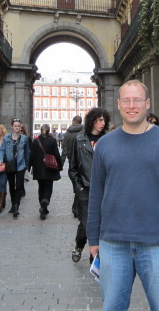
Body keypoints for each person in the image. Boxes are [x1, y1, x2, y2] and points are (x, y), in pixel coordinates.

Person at [87, 80, 159, 311]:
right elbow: (96, 194)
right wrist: (93, 238)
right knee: (112, 307)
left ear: (147, 103)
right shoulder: (104, 145)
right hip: (113, 242)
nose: (131, 105)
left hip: (158, 242)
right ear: (118, 104)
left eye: (137, 100)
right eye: (126, 100)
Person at [69, 107, 110, 263]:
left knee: (101, 223)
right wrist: (78, 187)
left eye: (104, 120)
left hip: (104, 189)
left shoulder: (108, 139)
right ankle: (79, 246)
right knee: (86, 223)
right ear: (92, 121)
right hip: (85, 188)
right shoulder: (79, 140)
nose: (102, 123)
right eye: (99, 120)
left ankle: (94, 256)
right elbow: (72, 167)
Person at [28, 124, 63, 220]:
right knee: (48, 187)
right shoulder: (52, 140)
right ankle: (45, 202)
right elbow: (57, 154)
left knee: (41, 187)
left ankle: (43, 205)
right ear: (49, 131)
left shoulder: (35, 141)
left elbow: (31, 155)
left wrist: (29, 167)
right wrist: (60, 166)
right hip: (50, 167)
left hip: (38, 168)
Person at [0, 119, 31, 218]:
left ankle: (16, 206)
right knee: (11, 186)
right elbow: (2, 150)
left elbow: (27, 152)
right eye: (15, 126)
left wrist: (27, 165)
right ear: (12, 127)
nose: (17, 128)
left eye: (18, 126)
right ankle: (13, 204)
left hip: (20, 165)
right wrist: (0, 160)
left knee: (19, 186)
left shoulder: (24, 138)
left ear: (20, 127)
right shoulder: (6, 138)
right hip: (10, 164)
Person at [62, 115, 83, 217]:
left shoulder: (67, 133)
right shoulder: (84, 132)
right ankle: (76, 206)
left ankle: (76, 206)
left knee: (76, 183)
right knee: (81, 183)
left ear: (74, 121)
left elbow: (64, 149)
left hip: (72, 162)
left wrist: (60, 164)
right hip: (83, 162)